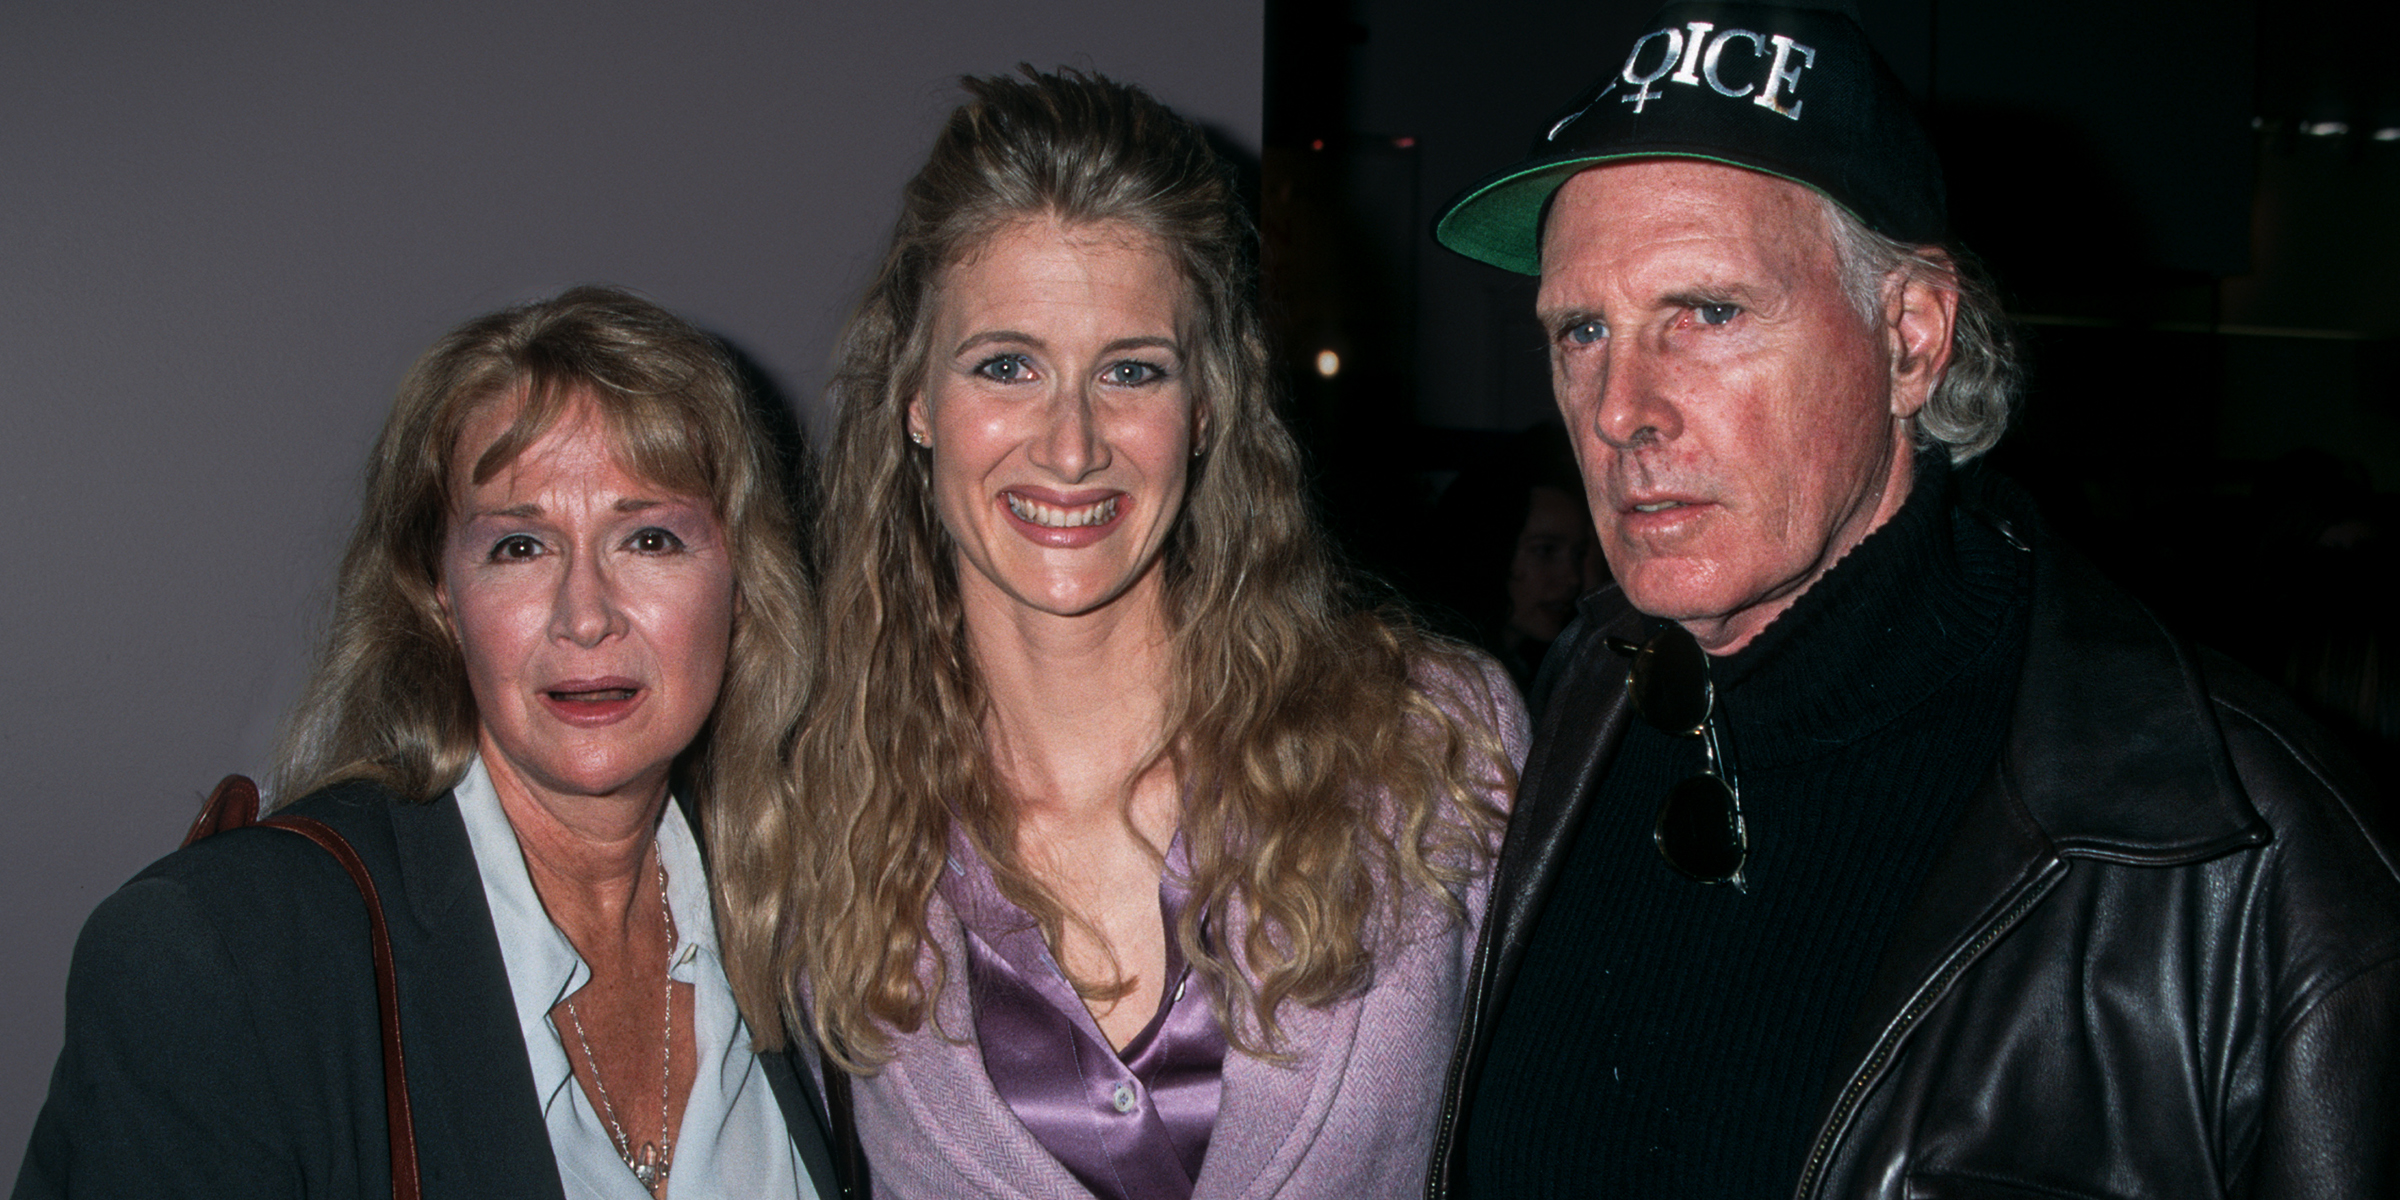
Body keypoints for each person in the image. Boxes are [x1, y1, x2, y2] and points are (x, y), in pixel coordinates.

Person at [1422, 3, 2400, 1197]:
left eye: (1710, 314)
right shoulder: (1574, 699)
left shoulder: (2245, 853)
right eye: (1583, 329)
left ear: (1912, 338)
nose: (1623, 406)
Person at [712, 69, 1525, 1200]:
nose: (1073, 444)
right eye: (1006, 365)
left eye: (1131, 371)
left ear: (1206, 411)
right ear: (914, 397)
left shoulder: (1433, 746)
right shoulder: (814, 837)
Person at [17, 286, 842, 1200]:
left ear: (743, 580)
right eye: (519, 548)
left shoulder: (821, 920)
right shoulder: (223, 958)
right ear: (439, 593)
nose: (585, 617)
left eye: (648, 538)